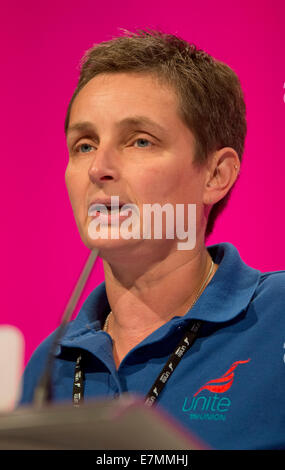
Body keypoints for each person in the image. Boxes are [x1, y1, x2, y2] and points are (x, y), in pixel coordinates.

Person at [18, 28, 285, 450]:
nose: (98, 168)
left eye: (140, 140)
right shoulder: (50, 363)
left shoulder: (277, 317)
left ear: (216, 175)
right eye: (84, 145)